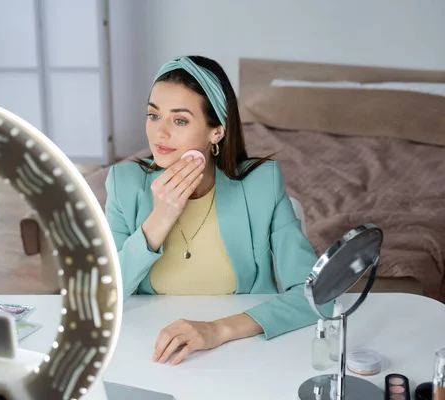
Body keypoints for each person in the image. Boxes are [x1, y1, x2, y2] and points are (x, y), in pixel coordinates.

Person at [104, 55, 332, 366]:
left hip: (244, 353)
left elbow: (315, 297)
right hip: (153, 353)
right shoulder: (124, 185)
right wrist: (161, 217)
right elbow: (102, 298)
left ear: (217, 132)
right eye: (153, 116)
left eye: (180, 120)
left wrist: (218, 330)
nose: (160, 133)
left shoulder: (261, 184)